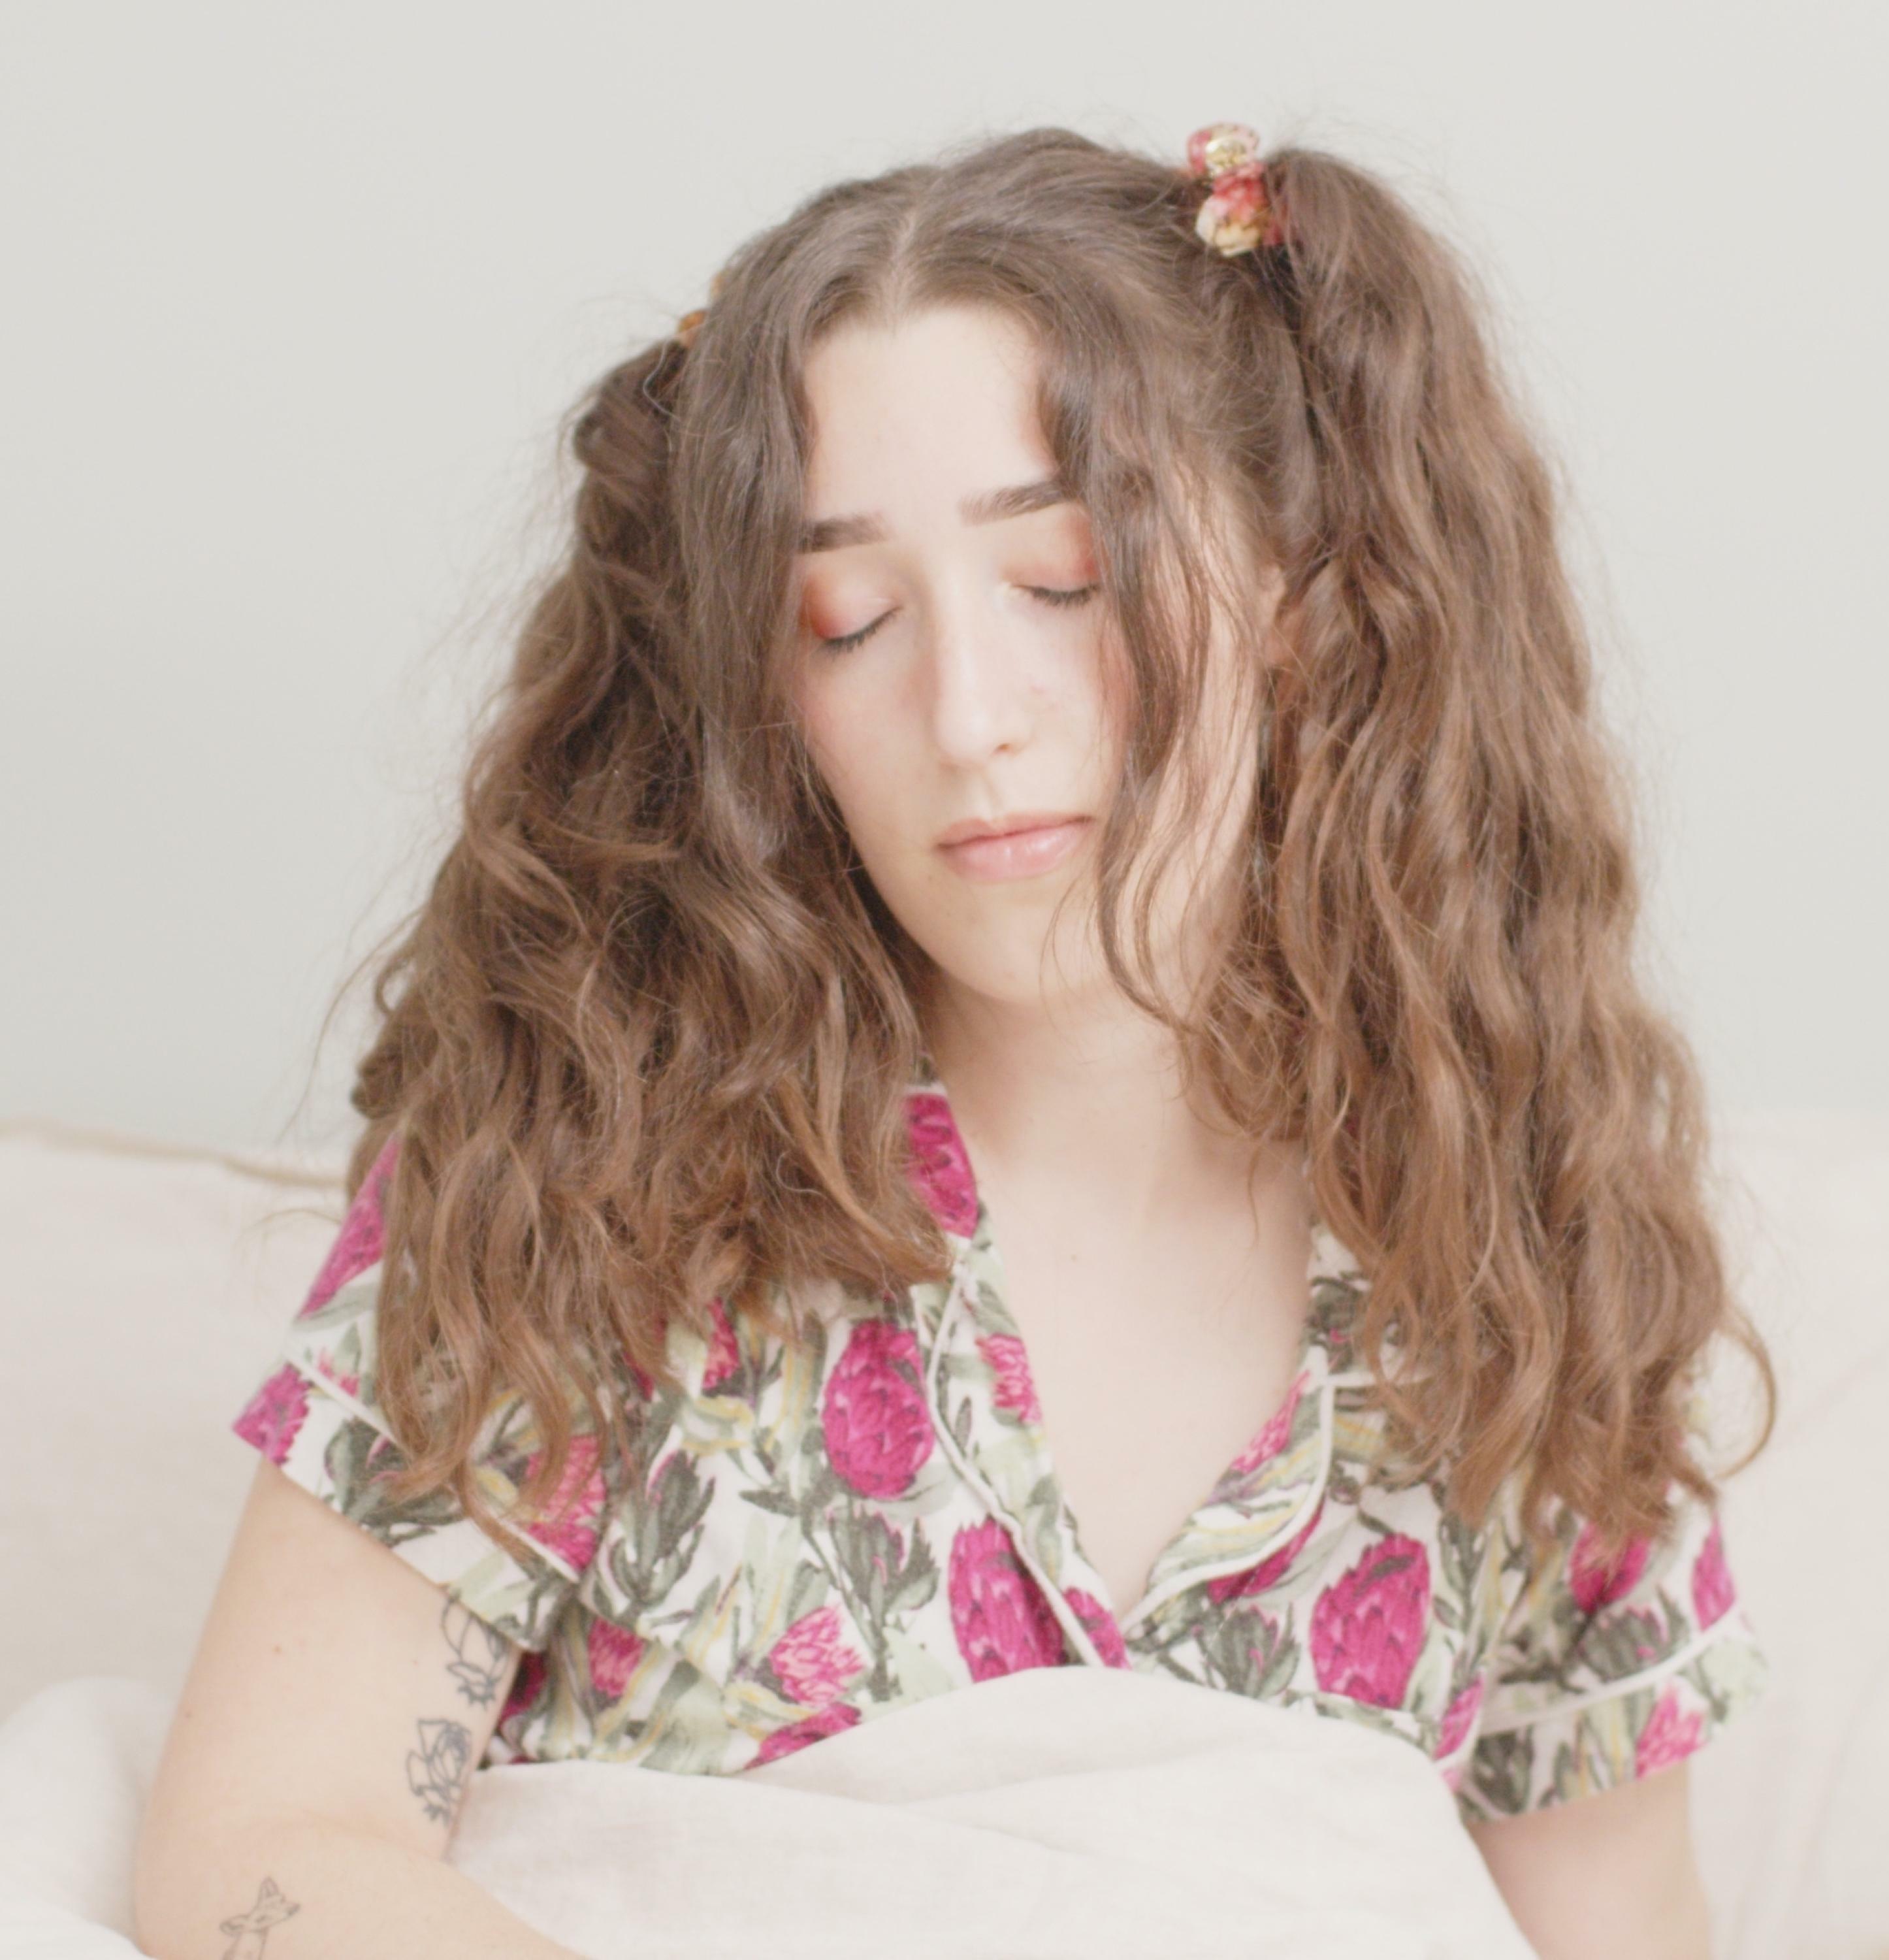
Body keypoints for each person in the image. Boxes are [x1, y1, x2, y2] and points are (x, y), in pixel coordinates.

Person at [137, 120, 1777, 1960]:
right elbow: (261, 1844)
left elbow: (1615, 1933)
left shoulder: (1524, 1276)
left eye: (1064, 581)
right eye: (845, 622)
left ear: (1304, 593)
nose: (971, 715)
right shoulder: (585, 1171)